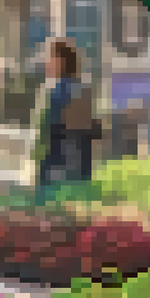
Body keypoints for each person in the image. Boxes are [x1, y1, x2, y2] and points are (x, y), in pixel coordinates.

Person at [32, 38, 97, 192]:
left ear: (61, 61)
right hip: (75, 168)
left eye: (49, 56)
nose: (46, 61)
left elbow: (47, 133)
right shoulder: (80, 89)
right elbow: (86, 137)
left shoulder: (56, 91)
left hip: (55, 167)